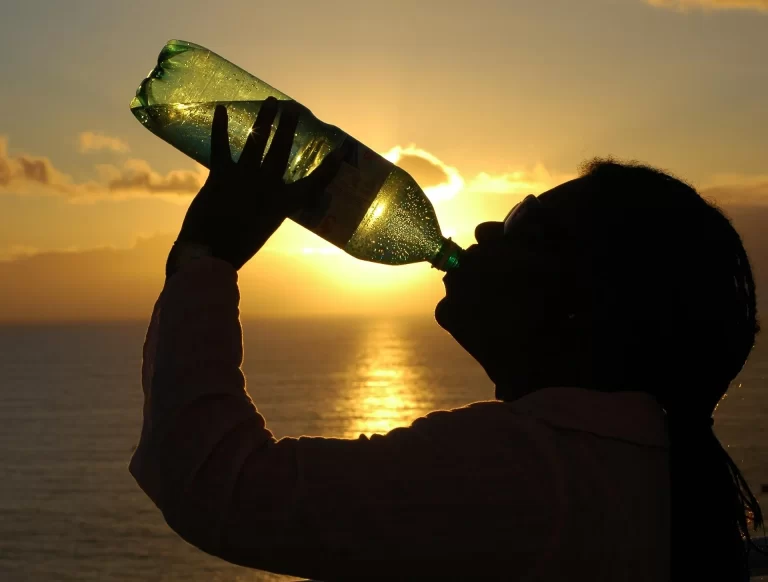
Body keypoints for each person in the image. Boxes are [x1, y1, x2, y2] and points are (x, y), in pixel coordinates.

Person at [130, 97, 764, 581]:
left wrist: (204, 258)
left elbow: (221, 486)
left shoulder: (523, 471)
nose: (489, 227)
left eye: (529, 228)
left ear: (590, 305)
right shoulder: (650, 467)